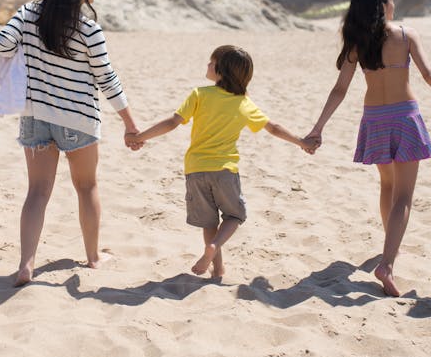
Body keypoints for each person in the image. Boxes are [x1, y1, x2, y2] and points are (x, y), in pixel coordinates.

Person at [305, 0, 431, 296]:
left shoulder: (358, 42)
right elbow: (429, 75)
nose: (394, 2)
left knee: (387, 186)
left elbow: (339, 89)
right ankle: (387, 264)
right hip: (404, 117)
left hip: (375, 119)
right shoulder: (406, 35)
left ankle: (388, 244)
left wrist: (318, 127)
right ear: (383, 4)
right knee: (405, 195)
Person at [0, 0, 139, 286]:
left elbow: (2, 45)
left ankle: (26, 264)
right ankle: (93, 257)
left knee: (37, 192)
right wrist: (130, 123)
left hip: (34, 116)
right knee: (86, 187)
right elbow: (107, 80)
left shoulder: (29, 13)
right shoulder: (89, 30)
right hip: (78, 120)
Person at [126, 45, 312, 278]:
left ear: (220, 70)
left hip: (195, 169)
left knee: (209, 222)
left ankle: (217, 268)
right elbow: (273, 128)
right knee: (234, 216)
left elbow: (172, 122)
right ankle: (213, 251)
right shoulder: (243, 103)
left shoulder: (199, 94)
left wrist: (139, 137)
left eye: (210, 62)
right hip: (225, 170)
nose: (207, 65)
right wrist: (301, 142)